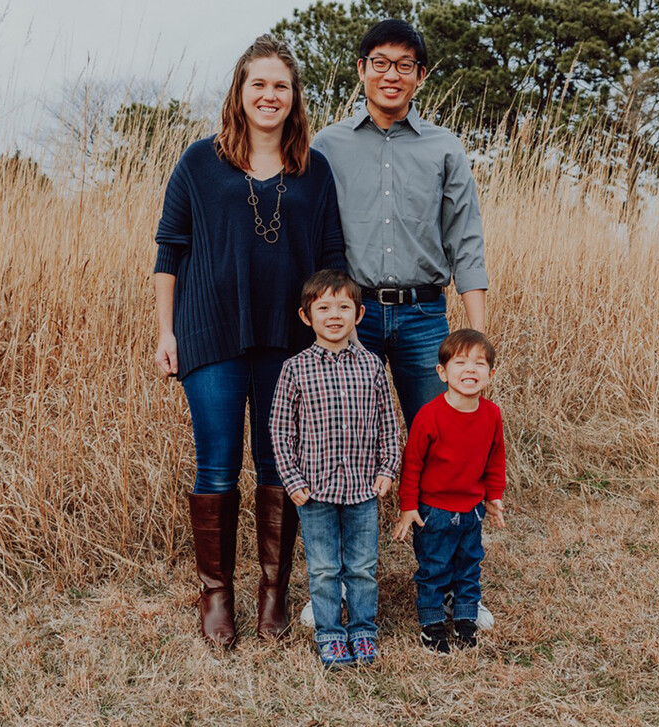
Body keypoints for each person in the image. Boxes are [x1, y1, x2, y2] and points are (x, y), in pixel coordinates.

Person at [153, 35, 347, 648]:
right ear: (240, 92)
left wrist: (333, 330)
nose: (269, 95)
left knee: (276, 463)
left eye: (281, 86)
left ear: (294, 98)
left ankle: (273, 591)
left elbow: (332, 259)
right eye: (258, 84)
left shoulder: (314, 170)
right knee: (216, 462)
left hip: (288, 343)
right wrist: (166, 331)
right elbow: (169, 252)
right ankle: (217, 595)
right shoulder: (199, 162)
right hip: (210, 333)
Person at [311, 18, 488, 430]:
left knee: (440, 433)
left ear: (420, 75)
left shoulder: (444, 147)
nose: (391, 75)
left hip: (424, 315)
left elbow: (465, 238)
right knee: (348, 433)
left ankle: (438, 499)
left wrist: (476, 337)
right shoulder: (327, 145)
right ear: (362, 69)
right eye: (380, 63)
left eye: (404, 65)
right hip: (352, 313)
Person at [269, 269, 401, 667]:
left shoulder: (373, 366)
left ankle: (362, 631)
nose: (334, 314)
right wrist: (292, 479)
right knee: (325, 570)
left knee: (362, 568)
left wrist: (388, 468)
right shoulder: (295, 369)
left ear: (359, 315)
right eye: (323, 307)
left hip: (363, 488)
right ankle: (330, 634)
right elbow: (279, 430)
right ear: (306, 316)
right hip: (314, 491)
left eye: (344, 306)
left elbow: (388, 422)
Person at [392, 329, 506, 652]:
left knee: (469, 566)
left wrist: (493, 496)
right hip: (433, 512)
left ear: (490, 374)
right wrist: (408, 507)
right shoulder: (429, 416)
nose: (470, 369)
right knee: (434, 569)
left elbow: (496, 458)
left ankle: (466, 620)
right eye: (460, 362)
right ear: (442, 372)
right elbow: (412, 464)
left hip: (471, 511)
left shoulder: (491, 415)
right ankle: (432, 625)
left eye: (479, 364)